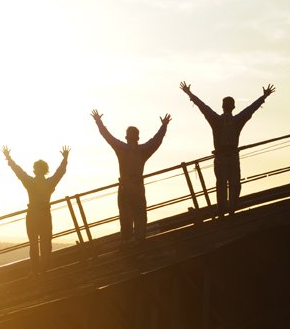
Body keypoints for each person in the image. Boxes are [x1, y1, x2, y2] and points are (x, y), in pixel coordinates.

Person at [180, 81, 275, 216]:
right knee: (234, 184)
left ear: (223, 106)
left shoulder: (217, 120)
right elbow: (250, 109)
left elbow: (203, 107)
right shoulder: (236, 121)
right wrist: (263, 97)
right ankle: (230, 210)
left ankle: (223, 211)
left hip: (221, 158)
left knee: (222, 185)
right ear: (233, 107)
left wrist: (189, 93)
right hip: (231, 157)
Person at [91, 110, 170, 244]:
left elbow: (107, 136)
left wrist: (98, 121)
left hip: (124, 187)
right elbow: (157, 140)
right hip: (138, 187)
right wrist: (164, 126)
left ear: (127, 137)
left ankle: (127, 242)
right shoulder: (143, 150)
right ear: (138, 138)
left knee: (125, 216)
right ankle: (140, 241)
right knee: (140, 215)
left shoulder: (121, 148)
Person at [2, 145, 70, 273]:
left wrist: (9, 158)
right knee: (46, 243)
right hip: (44, 214)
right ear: (45, 171)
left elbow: (19, 172)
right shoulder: (49, 183)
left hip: (32, 214)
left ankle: (35, 270)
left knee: (33, 244)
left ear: (34, 170)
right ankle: (45, 268)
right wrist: (65, 159)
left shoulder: (30, 182)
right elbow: (60, 172)